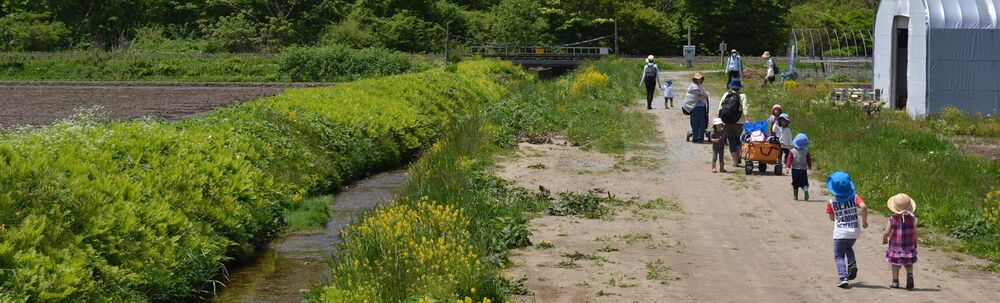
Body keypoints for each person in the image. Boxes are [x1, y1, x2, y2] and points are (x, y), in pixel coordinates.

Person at [825, 171, 869, 289]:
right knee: (848, 247)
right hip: (853, 232)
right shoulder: (855, 197)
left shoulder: (831, 202)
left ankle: (843, 278)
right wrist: (864, 222)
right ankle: (852, 263)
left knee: (839, 256)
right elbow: (864, 207)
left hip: (840, 233)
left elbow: (831, 218)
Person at [882, 193, 918, 290]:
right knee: (908, 263)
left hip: (896, 248)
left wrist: (884, 239)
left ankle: (895, 281)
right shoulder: (913, 219)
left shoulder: (892, 219)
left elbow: (887, 232)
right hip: (909, 247)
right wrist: (915, 243)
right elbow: (915, 233)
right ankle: (909, 275)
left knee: (895, 264)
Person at [718, 78, 749, 166]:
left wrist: (719, 120)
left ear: (731, 86)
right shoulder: (742, 96)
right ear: (739, 87)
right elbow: (745, 108)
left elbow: (720, 107)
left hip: (727, 121)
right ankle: (738, 156)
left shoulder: (726, 94)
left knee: (731, 141)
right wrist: (747, 119)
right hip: (739, 122)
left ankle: (735, 162)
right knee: (738, 139)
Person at [682, 72, 710, 143]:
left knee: (700, 122)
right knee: (697, 123)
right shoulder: (694, 87)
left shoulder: (697, 86)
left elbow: (702, 95)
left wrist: (705, 94)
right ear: (695, 79)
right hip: (695, 107)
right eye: (698, 79)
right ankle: (697, 137)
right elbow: (701, 95)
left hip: (699, 107)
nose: (699, 80)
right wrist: (706, 94)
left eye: (700, 79)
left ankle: (699, 137)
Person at [785, 133, 812, 200]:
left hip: (795, 170)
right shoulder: (806, 152)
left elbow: (789, 160)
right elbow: (808, 160)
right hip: (803, 170)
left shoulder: (792, 151)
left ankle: (795, 195)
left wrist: (787, 167)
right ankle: (805, 189)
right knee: (804, 182)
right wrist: (809, 166)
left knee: (795, 183)